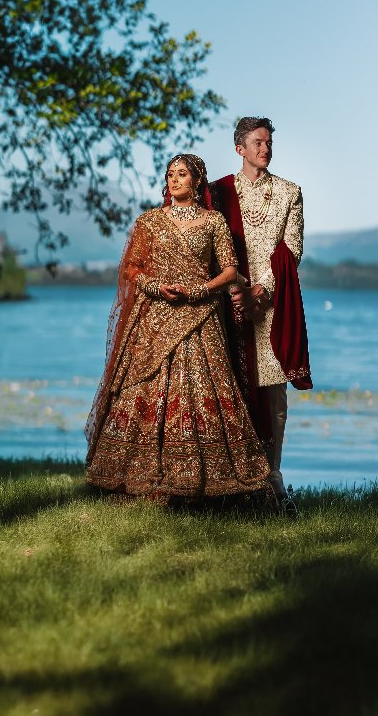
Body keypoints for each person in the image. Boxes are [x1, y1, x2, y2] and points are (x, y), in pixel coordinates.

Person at [85, 153, 270, 501]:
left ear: (197, 181)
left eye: (182, 174)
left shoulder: (213, 222)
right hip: (154, 317)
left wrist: (201, 290)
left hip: (201, 316)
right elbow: (131, 269)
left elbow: (230, 271)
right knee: (144, 388)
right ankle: (131, 475)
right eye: (170, 174)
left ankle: (211, 481)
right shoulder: (149, 222)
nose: (174, 179)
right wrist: (156, 286)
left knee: (204, 387)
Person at [211, 118, 312, 502]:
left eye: (269, 142)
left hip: (271, 307)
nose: (265, 149)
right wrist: (237, 290)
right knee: (227, 388)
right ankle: (230, 483)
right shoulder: (218, 193)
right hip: (228, 304)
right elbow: (208, 249)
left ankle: (272, 479)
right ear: (240, 148)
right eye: (257, 142)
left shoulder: (289, 193)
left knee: (274, 396)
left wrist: (261, 292)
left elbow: (292, 249)